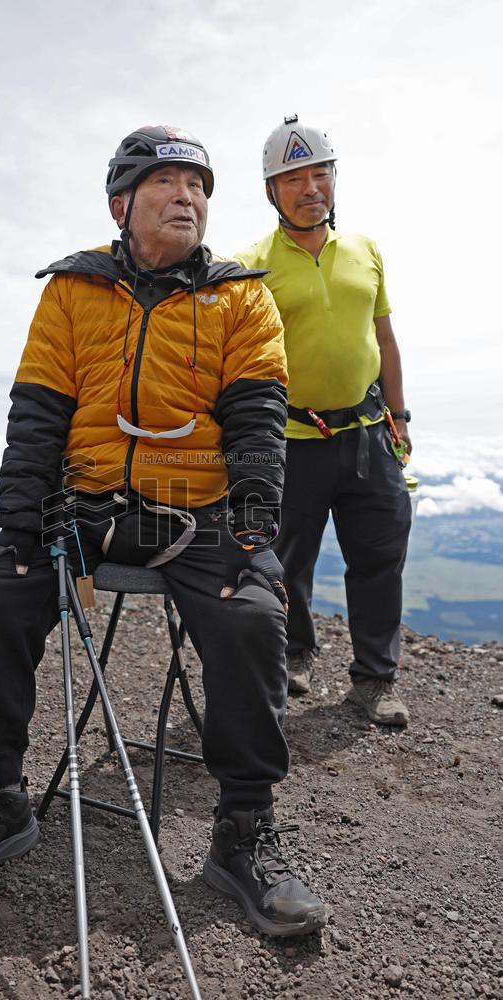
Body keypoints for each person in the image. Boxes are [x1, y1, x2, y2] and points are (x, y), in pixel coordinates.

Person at [0, 126, 328, 938]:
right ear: (119, 204)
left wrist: (249, 538)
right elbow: (38, 418)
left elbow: (256, 428)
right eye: (165, 181)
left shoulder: (243, 295)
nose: (187, 197)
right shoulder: (71, 291)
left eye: (198, 185)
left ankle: (243, 830)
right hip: (86, 508)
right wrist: (20, 530)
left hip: (198, 514)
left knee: (251, 615)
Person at [236, 115, 412, 727]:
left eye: (320, 174)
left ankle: (374, 681)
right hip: (288, 437)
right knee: (287, 559)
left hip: (368, 433)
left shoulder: (366, 249)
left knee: (379, 555)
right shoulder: (250, 264)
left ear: (335, 180)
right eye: (293, 178)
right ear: (271, 192)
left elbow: (383, 338)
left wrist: (400, 414)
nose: (310, 188)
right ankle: (295, 655)